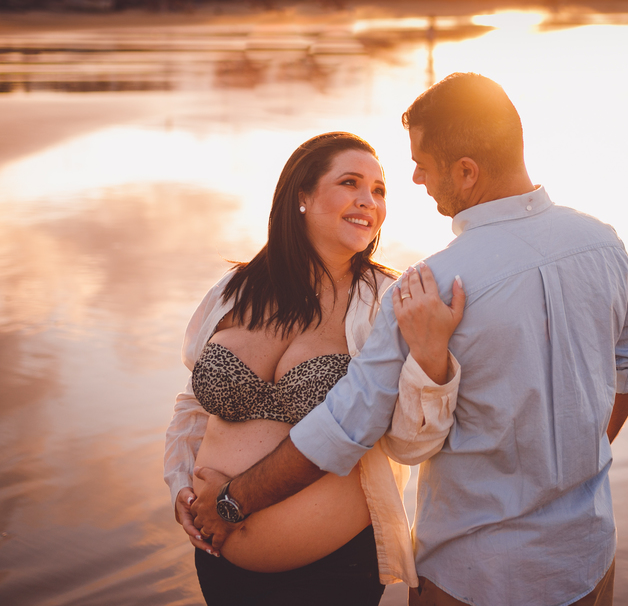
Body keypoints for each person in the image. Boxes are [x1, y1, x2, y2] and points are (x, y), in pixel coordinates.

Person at [193, 74, 628, 606]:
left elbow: (348, 426)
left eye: (423, 164)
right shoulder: (603, 244)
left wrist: (232, 501)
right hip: (586, 557)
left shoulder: (428, 288)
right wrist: (576, 464)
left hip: (474, 574)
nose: (416, 178)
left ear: (466, 171)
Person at [164, 131, 465, 605]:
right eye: (350, 183)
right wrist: (182, 490)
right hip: (218, 565)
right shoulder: (235, 290)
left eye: (379, 190)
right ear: (301, 196)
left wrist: (431, 358)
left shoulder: (388, 302)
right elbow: (193, 405)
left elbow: (411, 445)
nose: (369, 201)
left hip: (330, 574)